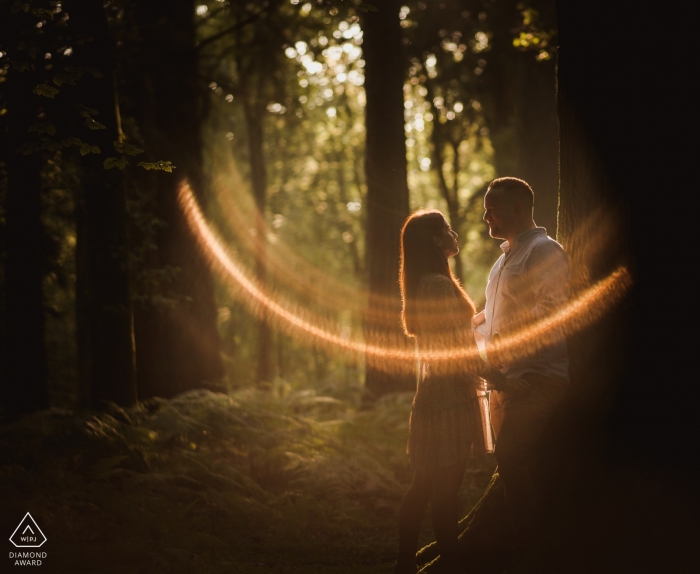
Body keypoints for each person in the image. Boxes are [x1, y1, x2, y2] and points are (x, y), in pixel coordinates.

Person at [473, 177, 570, 555]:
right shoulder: (501, 261)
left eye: (491, 208)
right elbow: (499, 312)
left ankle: (533, 551)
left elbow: (551, 310)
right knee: (518, 461)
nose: (485, 216)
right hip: (504, 381)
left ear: (517, 208)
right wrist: (471, 323)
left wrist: (505, 339)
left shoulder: (544, 251)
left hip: (538, 377)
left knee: (511, 455)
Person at [395, 209, 490, 574]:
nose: (454, 234)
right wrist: (500, 377)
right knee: (442, 492)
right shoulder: (436, 284)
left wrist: (487, 318)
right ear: (437, 239)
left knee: (426, 486)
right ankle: (447, 564)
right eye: (447, 229)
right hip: (447, 400)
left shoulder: (430, 282)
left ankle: (407, 565)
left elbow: (455, 332)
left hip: (438, 396)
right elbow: (459, 349)